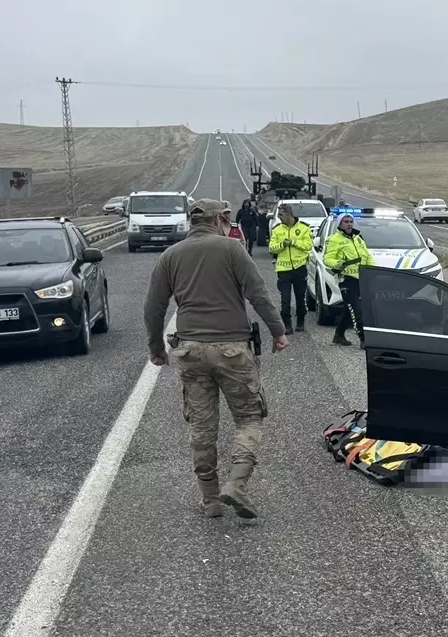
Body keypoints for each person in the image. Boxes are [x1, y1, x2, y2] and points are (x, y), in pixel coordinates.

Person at [143, 198, 289, 520]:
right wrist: (278, 331)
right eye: (226, 217)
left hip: (190, 351)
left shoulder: (170, 256)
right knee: (249, 417)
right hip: (233, 349)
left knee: (202, 425)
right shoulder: (232, 249)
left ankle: (210, 500)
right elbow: (258, 293)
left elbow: (154, 307)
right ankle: (236, 484)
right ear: (219, 219)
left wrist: (156, 347)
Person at [323, 211, 375, 347]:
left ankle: (338, 335)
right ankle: (364, 339)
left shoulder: (358, 238)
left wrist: (373, 271)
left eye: (351, 221)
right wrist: (338, 264)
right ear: (340, 224)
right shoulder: (334, 239)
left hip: (361, 278)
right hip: (346, 279)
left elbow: (367, 256)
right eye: (346, 222)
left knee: (349, 308)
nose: (349, 224)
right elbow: (327, 259)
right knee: (357, 310)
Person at [268, 204, 313, 334]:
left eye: (281, 215)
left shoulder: (303, 228)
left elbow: (308, 245)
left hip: (300, 268)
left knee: (300, 298)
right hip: (283, 269)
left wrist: (293, 242)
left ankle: (300, 321)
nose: (279, 218)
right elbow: (272, 247)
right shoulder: (277, 229)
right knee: (285, 299)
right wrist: (283, 244)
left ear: (289, 214)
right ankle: (287, 325)